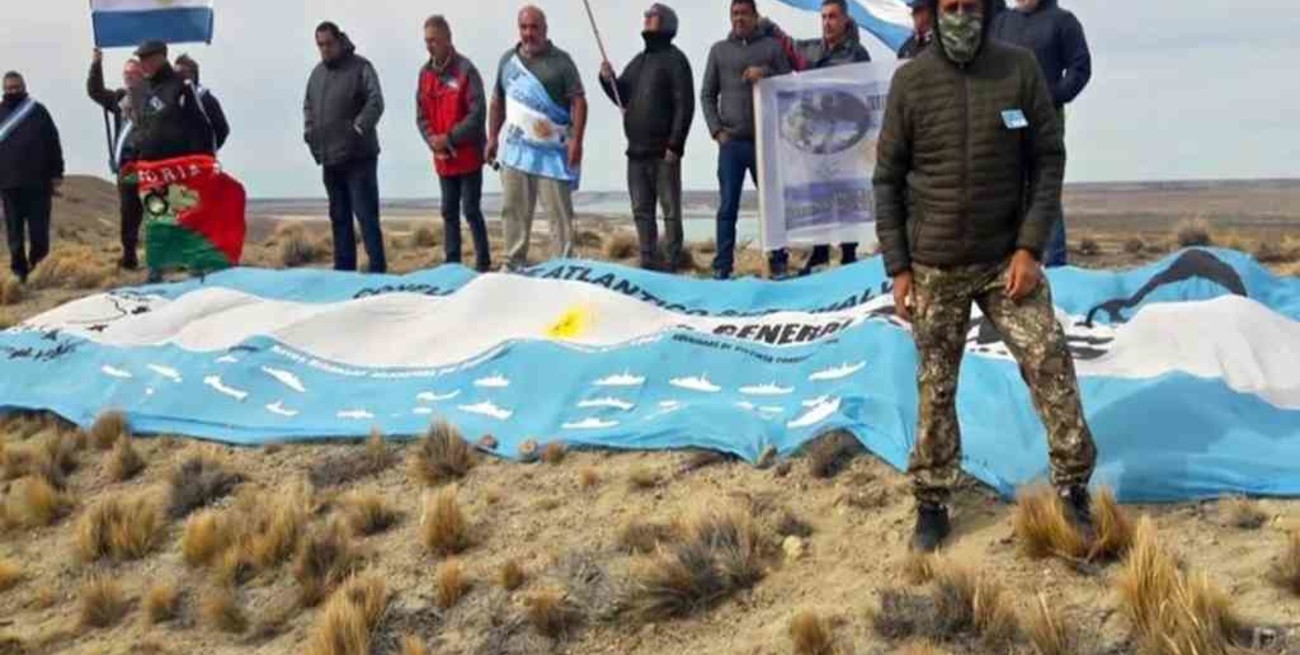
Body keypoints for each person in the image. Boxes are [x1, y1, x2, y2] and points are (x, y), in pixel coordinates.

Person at [873, 0, 1096, 553]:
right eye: (950, 5)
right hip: (935, 265)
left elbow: (1048, 158)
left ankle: (1073, 490)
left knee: (1049, 360)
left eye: (971, 5)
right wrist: (898, 267)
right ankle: (932, 502)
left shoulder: (1019, 69)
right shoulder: (911, 82)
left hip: (1006, 262)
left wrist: (1030, 247)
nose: (960, 15)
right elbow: (886, 179)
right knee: (935, 385)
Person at [487, 6, 587, 273]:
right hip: (517, 151)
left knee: (560, 215)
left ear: (545, 29)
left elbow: (578, 101)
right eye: (524, 28)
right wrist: (491, 137)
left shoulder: (562, 62)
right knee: (513, 210)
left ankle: (564, 265)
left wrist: (577, 140)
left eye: (534, 28)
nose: (528, 34)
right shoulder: (508, 61)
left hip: (553, 153)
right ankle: (512, 262)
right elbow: (497, 101)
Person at [992, 0, 1091, 268]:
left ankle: (1055, 265)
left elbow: (1080, 67)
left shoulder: (1063, 21)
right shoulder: (1002, 22)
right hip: (1007, 115)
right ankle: (1009, 262)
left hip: (1043, 116)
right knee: (1006, 183)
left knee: (1043, 186)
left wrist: (1053, 97)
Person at [598, 3, 694, 272]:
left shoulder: (676, 60)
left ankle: (673, 260)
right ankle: (648, 259)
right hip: (636, 152)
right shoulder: (640, 61)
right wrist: (607, 79)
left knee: (670, 211)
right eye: (646, 16)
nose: (645, 19)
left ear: (665, 22)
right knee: (641, 210)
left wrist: (676, 143)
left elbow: (684, 104)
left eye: (651, 16)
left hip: (665, 152)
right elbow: (623, 94)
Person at [701, 0, 793, 280]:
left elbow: (789, 82)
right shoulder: (719, 51)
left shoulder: (771, 48)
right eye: (734, 14)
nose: (738, 18)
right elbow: (707, 94)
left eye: (744, 14)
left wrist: (764, 73)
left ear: (755, 16)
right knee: (728, 206)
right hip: (731, 144)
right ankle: (723, 266)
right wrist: (717, 131)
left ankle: (778, 263)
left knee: (773, 205)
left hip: (765, 142)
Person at [793, 0, 871, 277]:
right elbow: (788, 50)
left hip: (845, 139)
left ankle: (848, 253)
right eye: (823, 17)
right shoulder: (812, 50)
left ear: (845, 21)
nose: (827, 22)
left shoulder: (858, 54)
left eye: (832, 17)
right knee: (820, 196)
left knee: (846, 195)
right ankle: (820, 251)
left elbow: (865, 93)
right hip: (817, 140)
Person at [304, 22, 387, 274]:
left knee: (366, 217)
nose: (325, 49)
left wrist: (358, 129)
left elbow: (376, 101)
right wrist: (310, 136)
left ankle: (377, 273)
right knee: (339, 219)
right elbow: (308, 107)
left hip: (359, 157)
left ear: (339, 40)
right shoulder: (316, 75)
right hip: (330, 159)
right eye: (320, 45)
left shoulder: (361, 67)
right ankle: (344, 274)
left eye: (328, 43)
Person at [417, 15, 491, 272]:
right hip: (443, 159)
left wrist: (449, 138)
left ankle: (483, 264)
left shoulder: (466, 71)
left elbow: (477, 114)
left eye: (434, 40)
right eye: (426, 41)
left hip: (468, 155)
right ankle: (452, 265)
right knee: (448, 211)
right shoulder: (425, 75)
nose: (430, 46)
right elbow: (421, 115)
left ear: (448, 39)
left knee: (470, 210)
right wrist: (433, 141)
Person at [0, 72, 62, 284]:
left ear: (24, 86)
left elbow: (53, 142)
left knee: (39, 232)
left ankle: (38, 268)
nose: (13, 91)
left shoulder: (38, 111)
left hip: (38, 183)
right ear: (3, 89)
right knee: (14, 233)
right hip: (8, 184)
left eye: (16, 87)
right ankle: (19, 271)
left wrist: (57, 173)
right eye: (9, 88)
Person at [87, 49, 145, 270]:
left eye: (134, 73)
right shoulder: (119, 99)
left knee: (155, 208)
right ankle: (129, 254)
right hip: (128, 165)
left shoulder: (154, 96)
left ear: (143, 74)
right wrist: (96, 64)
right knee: (128, 210)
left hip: (150, 162)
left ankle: (164, 255)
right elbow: (95, 91)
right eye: (126, 74)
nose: (129, 77)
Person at [174, 54, 231, 153]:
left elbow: (222, 129)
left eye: (182, 73)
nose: (178, 77)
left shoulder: (206, 100)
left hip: (201, 158)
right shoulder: (173, 99)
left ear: (192, 75)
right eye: (175, 73)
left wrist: (207, 149)